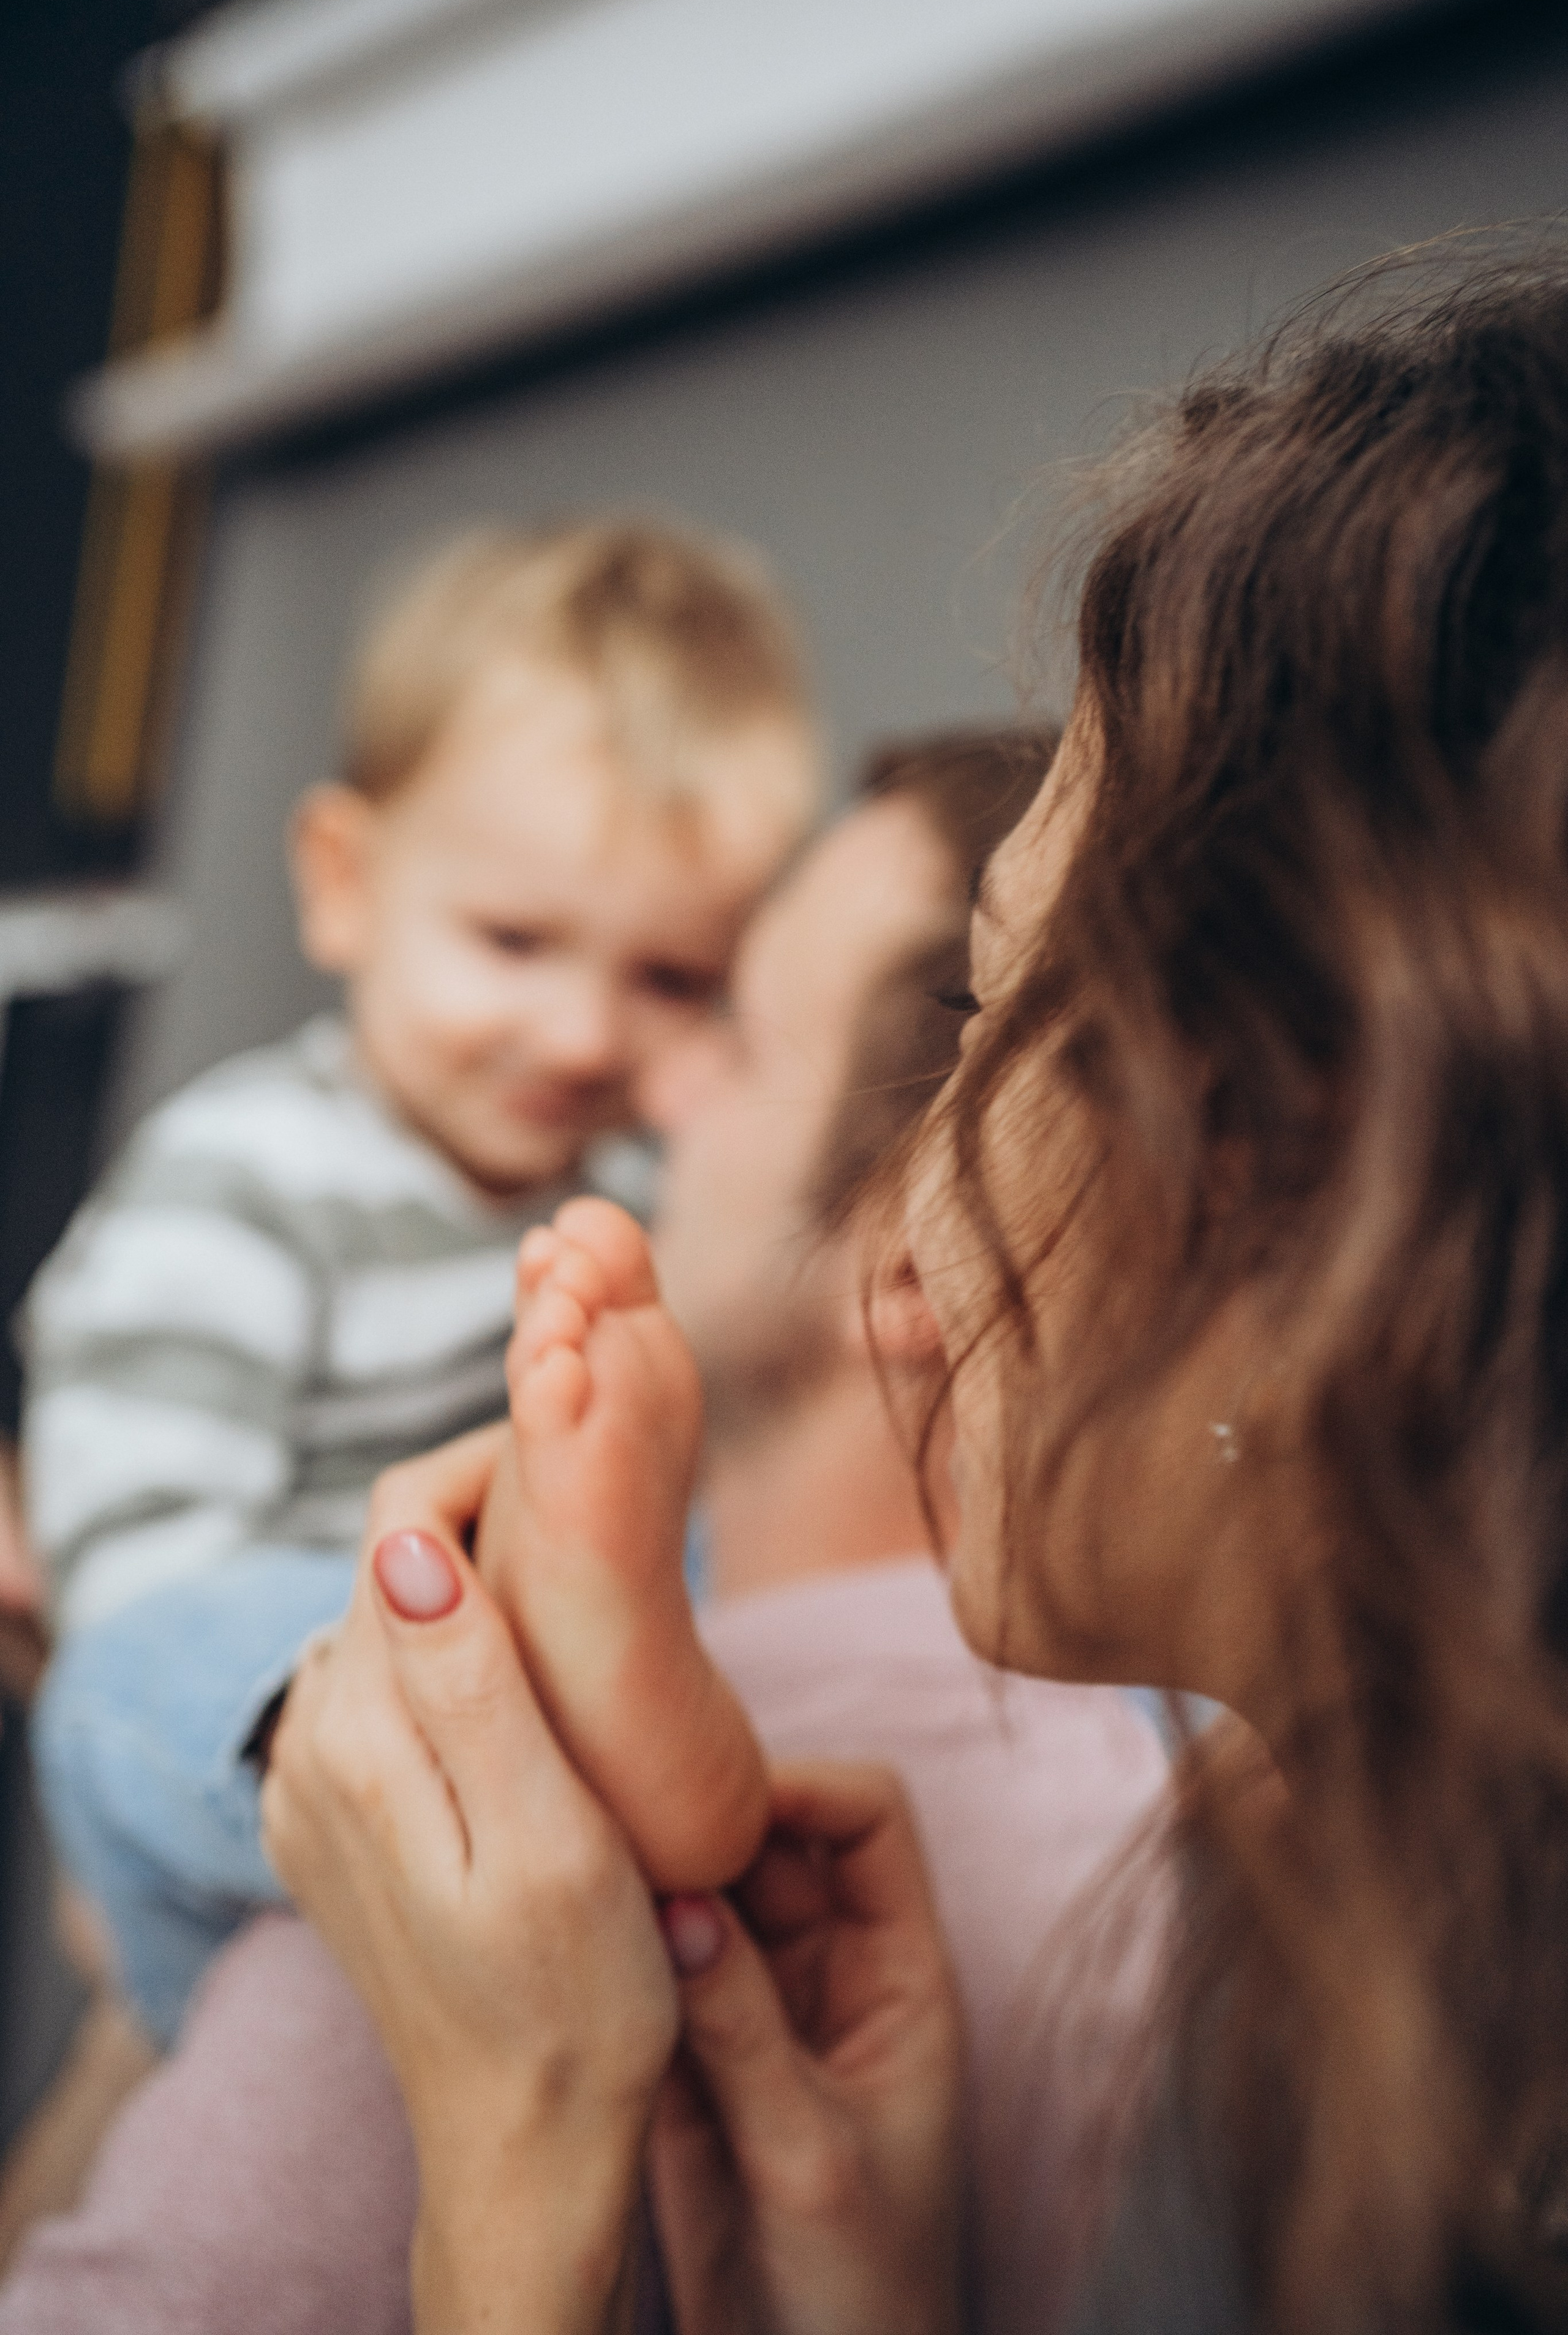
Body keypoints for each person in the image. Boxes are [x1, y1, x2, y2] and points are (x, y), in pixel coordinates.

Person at [250, 251, 1568, 2334]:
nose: (908, 1185)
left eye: (987, 996)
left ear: (1297, 1158)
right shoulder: (1350, 1966)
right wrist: (871, 2292)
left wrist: (522, 2178)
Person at [0, 728, 1169, 2335]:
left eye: (732, 1028)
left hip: (426, 1742)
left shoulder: (455, 1948)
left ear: (920, 1242)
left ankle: (404, 1724)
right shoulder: (1200, 1835)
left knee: (161, 1660)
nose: (647, 1073)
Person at [21, 518, 821, 2045]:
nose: (585, 1033)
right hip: (278, 1730)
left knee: (714, 1539)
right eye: (513, 939)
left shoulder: (635, 1193)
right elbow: (134, 1571)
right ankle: (424, 1772)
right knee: (147, 1654)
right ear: (344, 884)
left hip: (559, 1701)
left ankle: (604, 1762)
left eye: (666, 978)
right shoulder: (239, 1184)